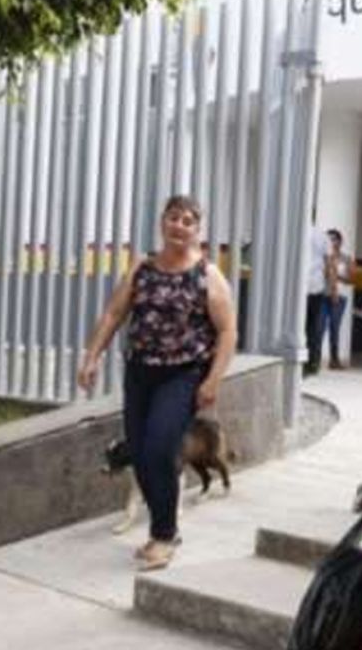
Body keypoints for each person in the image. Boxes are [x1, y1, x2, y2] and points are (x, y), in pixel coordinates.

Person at [77, 195, 237, 571]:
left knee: (160, 448)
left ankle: (164, 535)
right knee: (140, 453)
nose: (179, 225)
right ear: (163, 222)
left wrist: (212, 380)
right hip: (140, 373)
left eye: (188, 220)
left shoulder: (208, 275)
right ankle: (163, 529)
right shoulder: (142, 267)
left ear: (198, 230)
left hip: (183, 375)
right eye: (173, 218)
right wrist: (92, 356)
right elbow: (114, 313)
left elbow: (228, 331)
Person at [321, 228, 355, 370]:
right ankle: (314, 358)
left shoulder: (346, 258)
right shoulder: (323, 257)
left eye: (333, 239)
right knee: (319, 326)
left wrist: (335, 275)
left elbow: (351, 278)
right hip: (323, 294)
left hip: (339, 297)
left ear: (340, 242)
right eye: (328, 239)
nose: (330, 242)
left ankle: (334, 360)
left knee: (334, 327)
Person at [304, 226, 330, 376]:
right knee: (313, 327)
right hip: (316, 287)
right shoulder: (322, 236)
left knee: (302, 327)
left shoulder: (296, 231)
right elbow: (329, 264)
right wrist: (331, 287)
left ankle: (306, 361)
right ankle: (312, 363)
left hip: (299, 289)